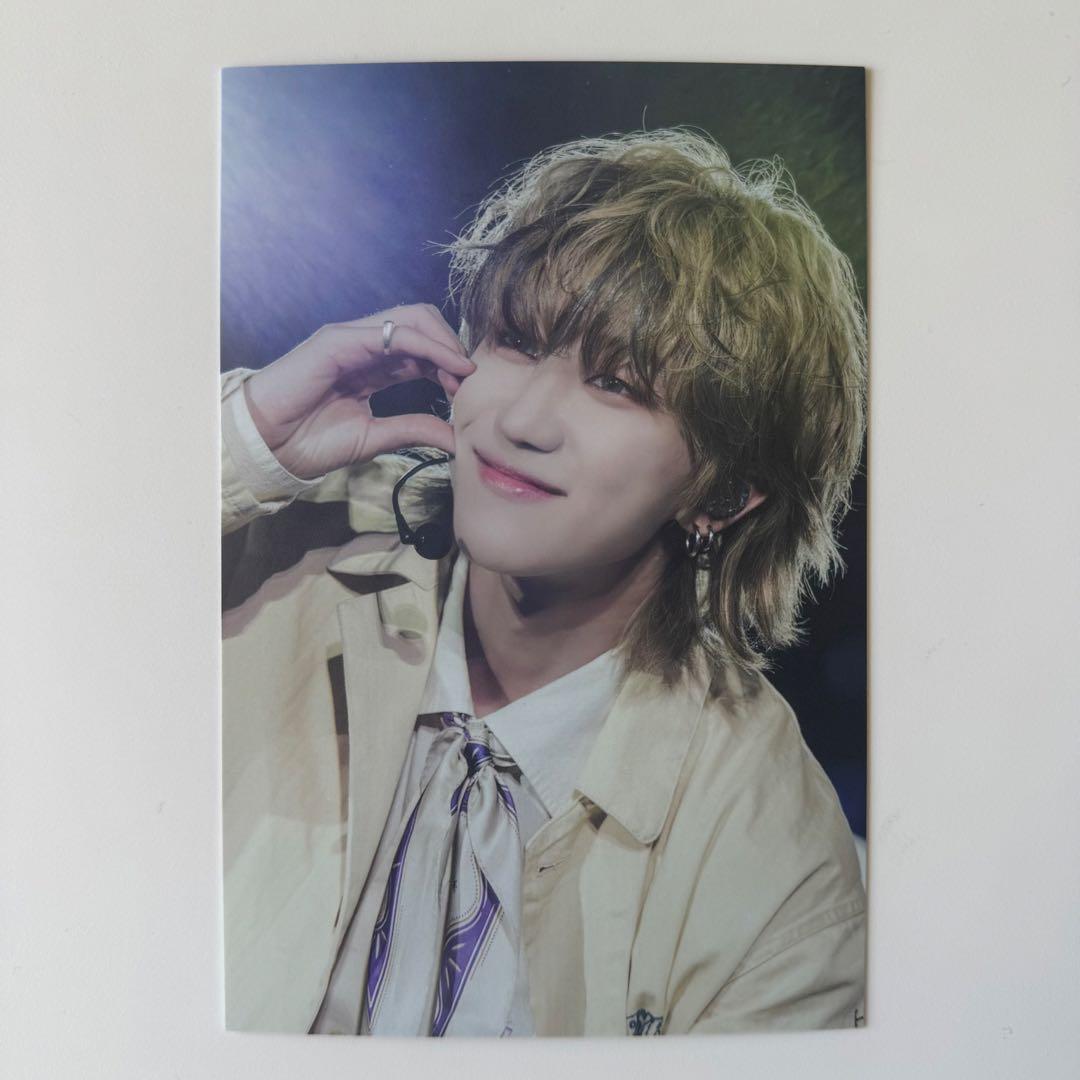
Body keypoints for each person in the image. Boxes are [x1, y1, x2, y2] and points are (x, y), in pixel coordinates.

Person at [220, 127, 868, 1036]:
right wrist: (245, 442)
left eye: (618, 385)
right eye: (518, 342)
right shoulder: (278, 556)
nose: (522, 420)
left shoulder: (778, 857)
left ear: (723, 492)